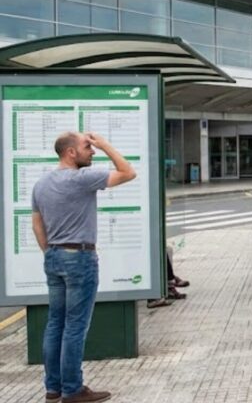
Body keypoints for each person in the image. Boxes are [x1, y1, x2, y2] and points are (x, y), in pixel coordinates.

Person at [31, 131, 136, 403]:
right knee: (75, 326)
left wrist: (52, 253)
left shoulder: (41, 184)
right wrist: (105, 144)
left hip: (53, 256)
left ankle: (53, 388)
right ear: (70, 153)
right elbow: (127, 172)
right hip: (79, 257)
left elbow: (37, 224)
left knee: (55, 323)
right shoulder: (81, 179)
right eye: (87, 147)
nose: (92, 151)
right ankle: (72, 389)